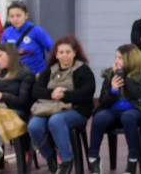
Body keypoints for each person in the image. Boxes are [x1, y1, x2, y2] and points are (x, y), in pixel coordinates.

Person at [28, 35, 96, 174]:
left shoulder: (83, 69)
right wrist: (51, 93)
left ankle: (66, 160)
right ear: (56, 55)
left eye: (68, 52)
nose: (64, 55)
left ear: (75, 53)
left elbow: (88, 92)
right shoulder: (50, 70)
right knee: (34, 126)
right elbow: (36, 90)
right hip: (49, 108)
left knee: (56, 121)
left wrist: (66, 95)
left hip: (76, 110)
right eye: (61, 52)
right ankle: (50, 157)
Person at [88, 44, 141, 174]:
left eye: (120, 58)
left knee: (128, 117)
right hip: (113, 110)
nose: (116, 61)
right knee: (99, 118)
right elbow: (103, 101)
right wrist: (113, 89)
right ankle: (93, 159)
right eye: (116, 57)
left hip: (136, 110)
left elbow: (139, 93)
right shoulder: (109, 73)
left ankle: (132, 159)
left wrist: (124, 77)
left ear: (130, 59)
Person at [0, 44, 34, 162]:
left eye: (0, 55)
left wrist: (1, 96)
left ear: (10, 56)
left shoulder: (25, 73)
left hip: (18, 113)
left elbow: (23, 102)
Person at [0, 1, 52, 75]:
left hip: (35, 75)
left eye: (18, 15)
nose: (15, 19)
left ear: (26, 15)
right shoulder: (7, 33)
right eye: (12, 16)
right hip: (15, 75)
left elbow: (53, 50)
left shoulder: (36, 31)